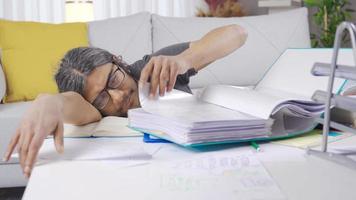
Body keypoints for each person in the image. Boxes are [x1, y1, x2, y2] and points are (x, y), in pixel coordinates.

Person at [2, 24, 248, 178]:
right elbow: (74, 105)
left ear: (118, 61)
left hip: (203, 163)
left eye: (114, 78)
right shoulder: (96, 114)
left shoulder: (153, 68)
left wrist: (184, 60)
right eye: (101, 97)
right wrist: (50, 103)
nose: (118, 96)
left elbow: (237, 33)